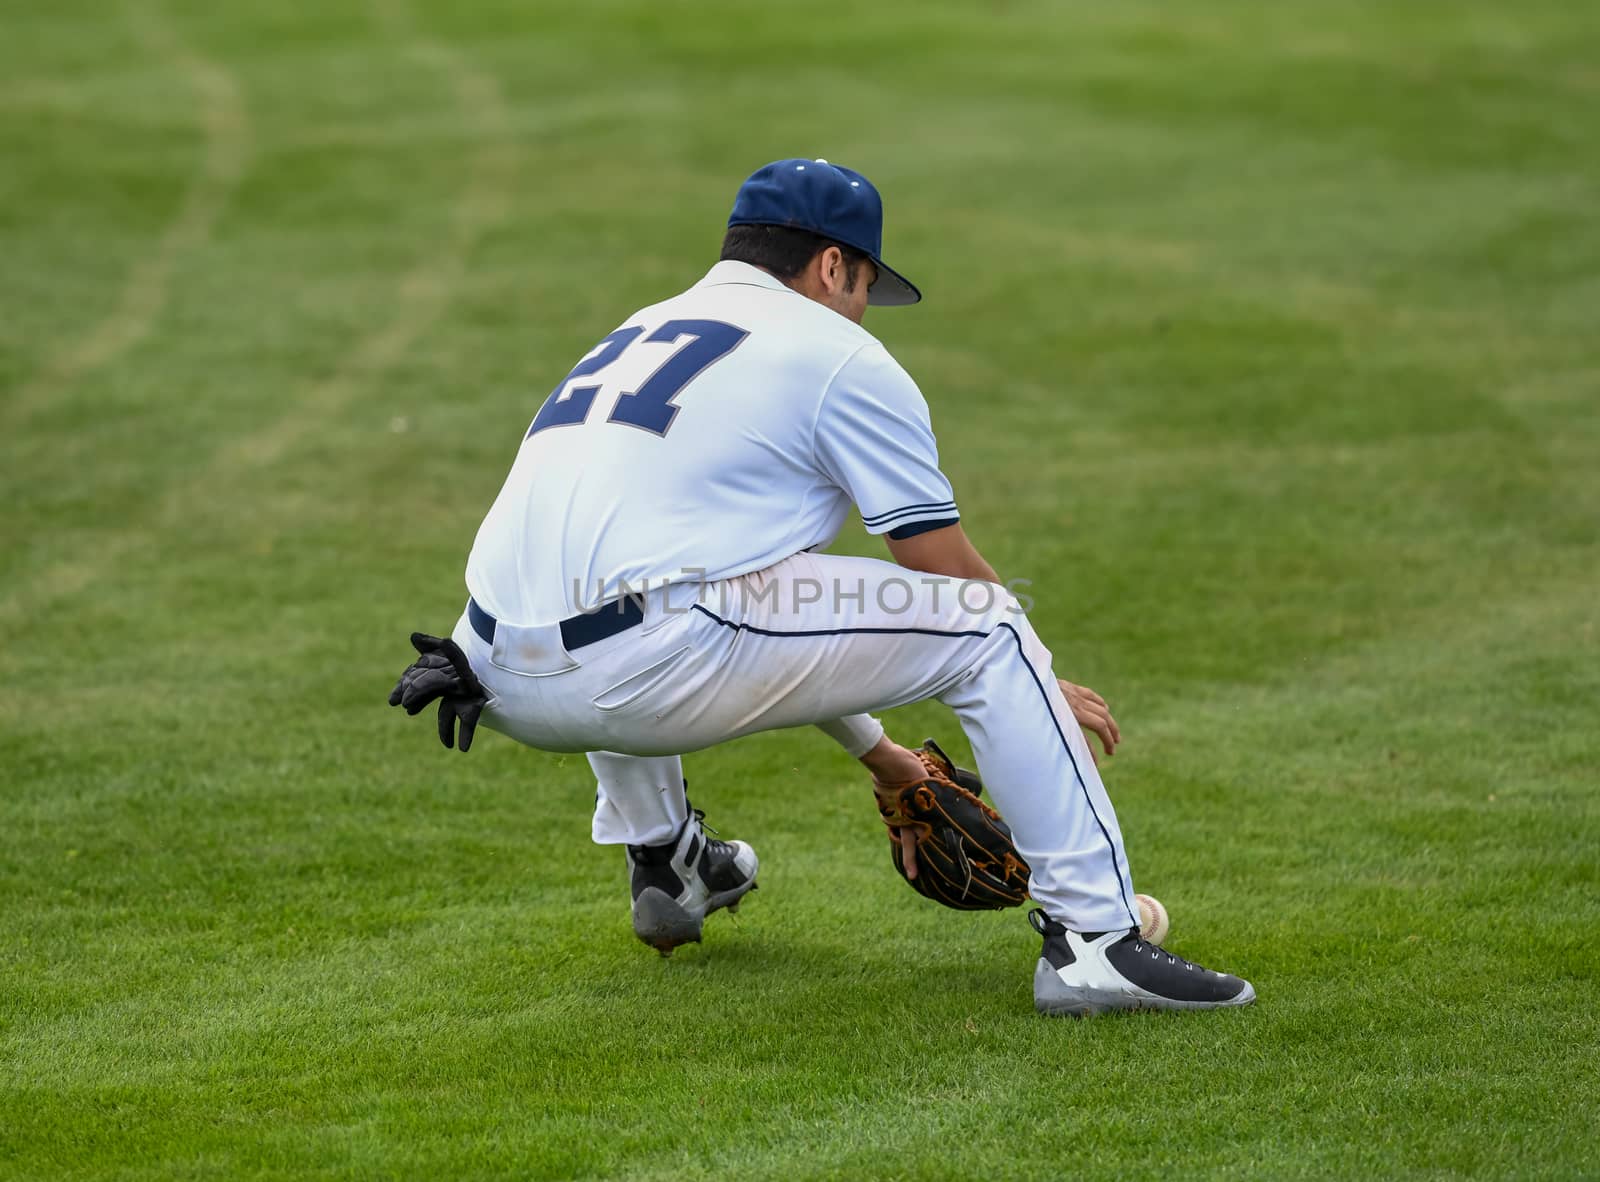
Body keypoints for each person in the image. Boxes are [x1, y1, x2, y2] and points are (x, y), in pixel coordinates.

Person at [388, 158, 1254, 1016]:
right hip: (647, 671)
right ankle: (1098, 943)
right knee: (989, 629)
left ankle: (667, 859)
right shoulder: (836, 353)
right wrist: (1042, 677)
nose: (863, 310)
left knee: (627, 591)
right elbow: (933, 559)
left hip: (483, 675)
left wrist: (885, 758)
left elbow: (775, 603)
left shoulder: (640, 330)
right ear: (833, 265)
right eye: (865, 285)